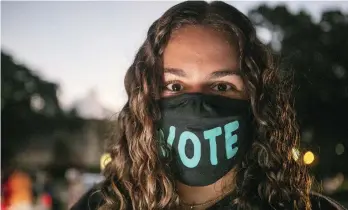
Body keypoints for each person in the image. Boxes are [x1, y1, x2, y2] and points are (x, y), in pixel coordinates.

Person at [71, 1, 346, 210]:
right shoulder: (102, 204)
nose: (198, 105)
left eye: (222, 86)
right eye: (175, 86)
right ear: (145, 98)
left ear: (257, 100)